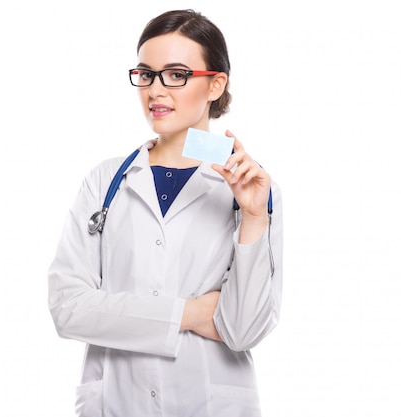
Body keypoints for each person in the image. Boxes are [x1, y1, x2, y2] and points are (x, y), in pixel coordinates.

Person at [48, 9, 283, 417]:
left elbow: (243, 330)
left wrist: (253, 218)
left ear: (215, 85)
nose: (156, 90)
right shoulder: (106, 180)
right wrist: (191, 314)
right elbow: (68, 308)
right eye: (146, 73)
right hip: (117, 403)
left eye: (176, 74)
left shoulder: (253, 190)